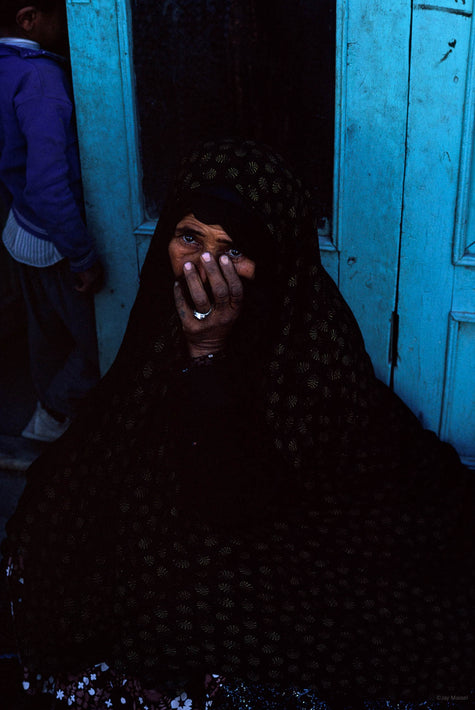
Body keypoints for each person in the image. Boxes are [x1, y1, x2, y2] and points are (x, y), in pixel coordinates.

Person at [1, 138, 474, 709]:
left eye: (236, 250)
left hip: (267, 507)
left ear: (275, 257)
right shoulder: (164, 310)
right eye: (189, 238)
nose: (206, 267)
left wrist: (209, 350)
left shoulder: (317, 353)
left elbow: (242, 501)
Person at [0, 0, 103, 443]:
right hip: (51, 237)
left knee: (45, 337)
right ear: (29, 19)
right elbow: (48, 185)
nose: (71, 21)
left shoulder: (7, 65)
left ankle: (47, 417)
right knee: (99, 342)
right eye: (62, 12)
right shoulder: (39, 77)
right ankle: (54, 415)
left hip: (19, 226)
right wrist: (81, 255)